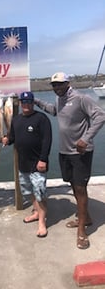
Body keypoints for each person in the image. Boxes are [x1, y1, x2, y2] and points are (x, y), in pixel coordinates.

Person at [34, 72, 105, 249]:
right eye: (54, 85)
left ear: (68, 83)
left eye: (60, 84)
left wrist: (86, 138)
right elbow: (54, 111)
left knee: (80, 189)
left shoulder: (82, 98)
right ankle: (86, 217)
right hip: (65, 151)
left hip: (80, 152)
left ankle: (81, 230)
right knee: (73, 185)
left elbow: (101, 116)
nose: (56, 87)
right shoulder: (60, 99)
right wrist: (35, 101)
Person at [2, 91, 52, 238]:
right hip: (23, 164)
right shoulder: (16, 119)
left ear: (33, 103)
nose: (26, 105)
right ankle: (36, 212)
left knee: (40, 194)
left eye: (29, 102)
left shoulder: (41, 119)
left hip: (38, 165)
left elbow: (47, 141)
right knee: (28, 192)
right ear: (21, 103)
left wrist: (43, 159)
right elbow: (13, 137)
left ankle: (42, 222)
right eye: (24, 102)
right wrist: (7, 140)